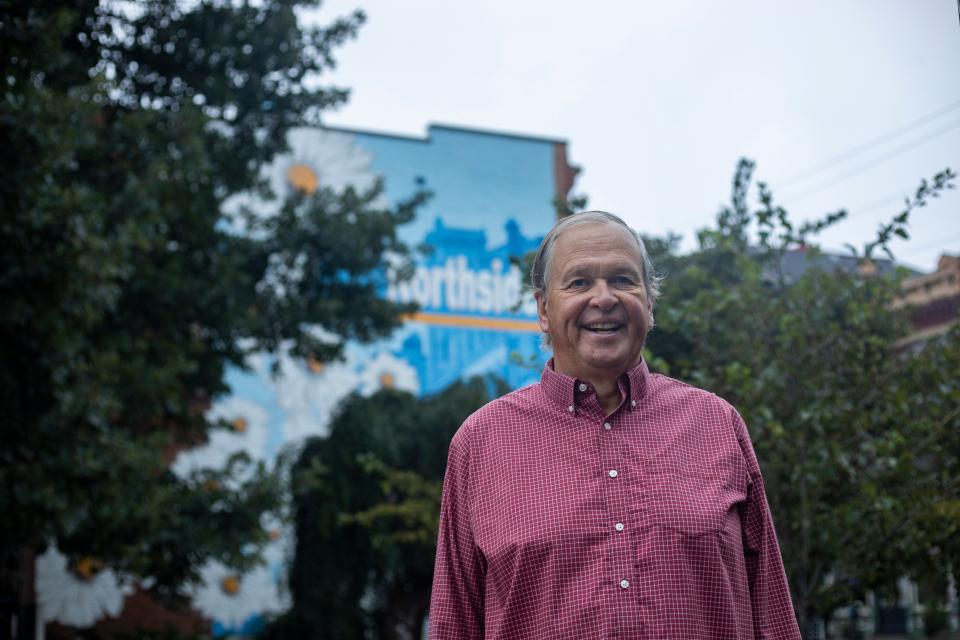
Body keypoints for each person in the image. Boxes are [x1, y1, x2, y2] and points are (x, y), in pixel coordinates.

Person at [428, 211, 801, 639]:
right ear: (544, 309)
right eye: (579, 282)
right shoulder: (480, 443)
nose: (603, 298)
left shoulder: (717, 424)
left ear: (649, 301)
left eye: (623, 280)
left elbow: (772, 615)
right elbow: (454, 622)